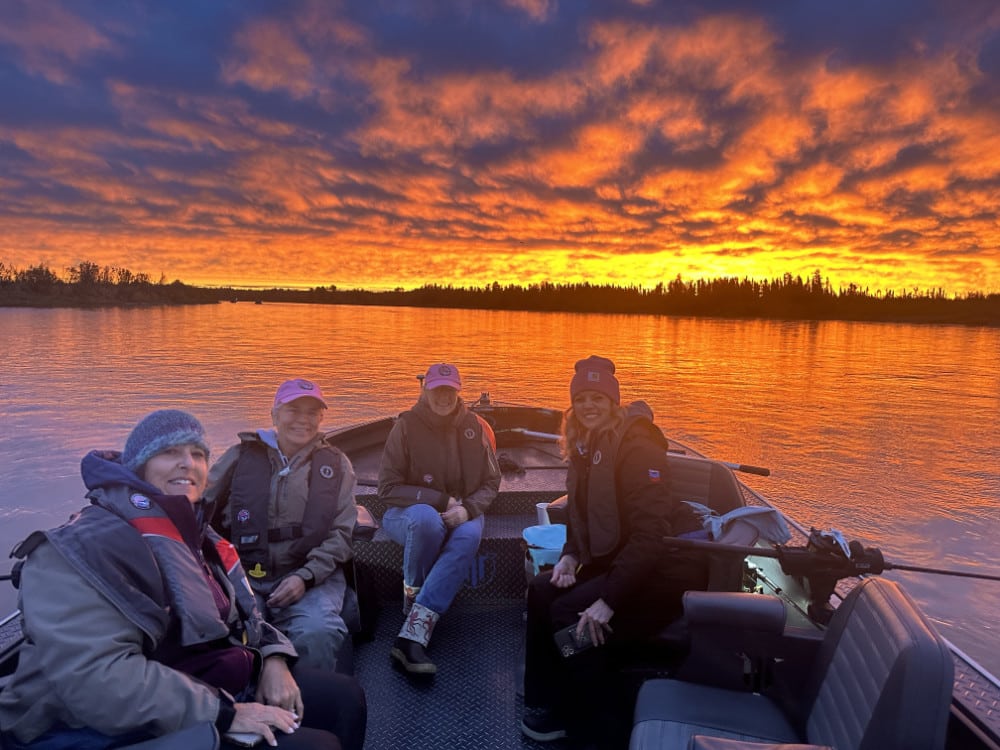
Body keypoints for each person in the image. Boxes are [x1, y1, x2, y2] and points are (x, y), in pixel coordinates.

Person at [0, 409, 366, 750]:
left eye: (198, 454)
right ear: (138, 466)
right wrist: (225, 714)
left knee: (344, 700)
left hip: (203, 680)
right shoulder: (82, 549)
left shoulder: (196, 537)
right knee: (317, 745)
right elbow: (97, 680)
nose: (187, 463)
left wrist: (273, 657)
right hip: (90, 724)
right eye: (170, 452)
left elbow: (242, 615)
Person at [520, 356, 710, 748]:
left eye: (598, 398)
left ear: (613, 403)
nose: (589, 406)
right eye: (582, 398)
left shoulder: (637, 450)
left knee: (571, 616)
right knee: (541, 592)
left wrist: (609, 599)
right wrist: (572, 555)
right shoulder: (589, 446)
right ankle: (546, 697)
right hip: (622, 563)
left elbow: (651, 536)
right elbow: (580, 513)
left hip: (661, 574)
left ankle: (592, 727)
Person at [205, 379, 358, 673]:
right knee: (230, 631)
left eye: (312, 412)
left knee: (318, 631)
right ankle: (249, 707)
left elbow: (342, 535)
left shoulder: (337, 465)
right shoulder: (238, 457)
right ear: (275, 414)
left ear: (321, 418)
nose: (303, 419)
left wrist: (305, 577)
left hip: (311, 575)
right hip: (244, 575)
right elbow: (199, 508)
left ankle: (310, 708)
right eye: (293, 410)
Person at [377, 363, 500, 674]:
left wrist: (467, 509)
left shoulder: (474, 426)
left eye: (449, 390)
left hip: (463, 507)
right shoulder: (405, 426)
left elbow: (490, 482)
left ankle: (415, 629)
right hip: (407, 513)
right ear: (425, 390)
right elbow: (387, 488)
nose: (443, 396)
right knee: (426, 520)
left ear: (458, 391)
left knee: (469, 535)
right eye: (437, 389)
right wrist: (440, 500)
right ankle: (412, 595)